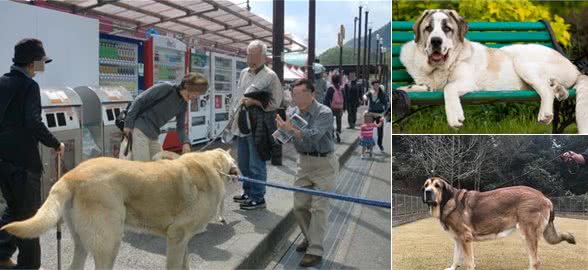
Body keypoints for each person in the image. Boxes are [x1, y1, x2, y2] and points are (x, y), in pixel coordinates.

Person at [0, 38, 65, 270]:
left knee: (13, 208)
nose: (42, 67)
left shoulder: (2, 83)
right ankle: (30, 266)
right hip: (24, 165)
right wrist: (55, 143)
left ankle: (1, 252)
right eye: (40, 62)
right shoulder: (29, 86)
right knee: (30, 216)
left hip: (4, 163)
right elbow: (33, 122)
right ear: (31, 62)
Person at [276, 79, 338, 267]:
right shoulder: (292, 113)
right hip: (303, 162)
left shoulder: (324, 112)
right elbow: (287, 138)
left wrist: (291, 130)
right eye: (294, 94)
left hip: (324, 163)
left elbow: (314, 135)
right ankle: (310, 237)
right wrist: (281, 132)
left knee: (319, 208)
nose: (297, 98)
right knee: (300, 206)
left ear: (312, 94)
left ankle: (315, 250)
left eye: (302, 94)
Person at [230, 40, 283, 210]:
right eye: (248, 53)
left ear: (263, 56)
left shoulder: (270, 75)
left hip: (258, 125)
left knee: (256, 163)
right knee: (243, 163)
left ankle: (258, 197)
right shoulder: (244, 72)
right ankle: (248, 192)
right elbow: (239, 95)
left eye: (253, 54)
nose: (249, 57)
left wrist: (255, 102)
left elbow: (276, 102)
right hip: (241, 122)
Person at [121, 72, 208, 161]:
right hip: (138, 129)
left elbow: (180, 127)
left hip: (154, 134)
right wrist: (128, 125)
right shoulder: (166, 88)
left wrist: (186, 143)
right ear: (186, 86)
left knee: (159, 164)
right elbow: (139, 100)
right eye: (195, 93)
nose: (194, 97)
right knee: (143, 166)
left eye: (198, 95)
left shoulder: (183, 104)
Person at [363, 80, 389, 153]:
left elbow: (386, 105)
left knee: (380, 131)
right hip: (371, 113)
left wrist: (383, 114)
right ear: (372, 86)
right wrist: (364, 97)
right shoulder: (370, 92)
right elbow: (365, 95)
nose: (376, 86)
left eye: (377, 85)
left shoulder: (382, 94)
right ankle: (368, 147)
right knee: (368, 130)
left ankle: (380, 144)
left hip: (379, 114)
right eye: (375, 85)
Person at [324, 74, 346, 143]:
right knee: (339, 121)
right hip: (339, 107)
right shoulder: (341, 88)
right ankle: (338, 132)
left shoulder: (331, 88)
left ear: (332, 80)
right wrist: (344, 108)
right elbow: (344, 98)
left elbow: (327, 99)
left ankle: (332, 133)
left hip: (332, 108)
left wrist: (326, 108)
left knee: (331, 121)